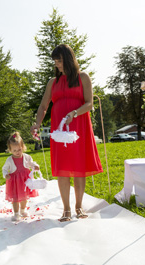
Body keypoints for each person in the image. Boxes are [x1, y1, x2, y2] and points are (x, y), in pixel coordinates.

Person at [30, 44, 103, 222]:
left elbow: (89, 104)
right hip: (59, 130)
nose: (57, 65)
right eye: (55, 62)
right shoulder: (52, 83)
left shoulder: (83, 77)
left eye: (60, 61)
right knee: (62, 169)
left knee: (79, 168)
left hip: (78, 127)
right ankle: (66, 209)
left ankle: (78, 207)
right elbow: (43, 106)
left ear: (69, 59)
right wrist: (37, 124)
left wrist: (74, 113)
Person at [2, 132, 39, 221]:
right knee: (15, 198)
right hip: (15, 181)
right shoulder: (9, 160)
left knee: (24, 196)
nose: (17, 152)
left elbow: (31, 163)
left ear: (22, 147)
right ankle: (16, 213)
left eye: (19, 149)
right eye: (14, 150)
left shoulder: (27, 157)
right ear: (10, 150)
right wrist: (6, 174)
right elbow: (4, 168)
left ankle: (22, 210)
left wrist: (35, 166)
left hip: (25, 180)